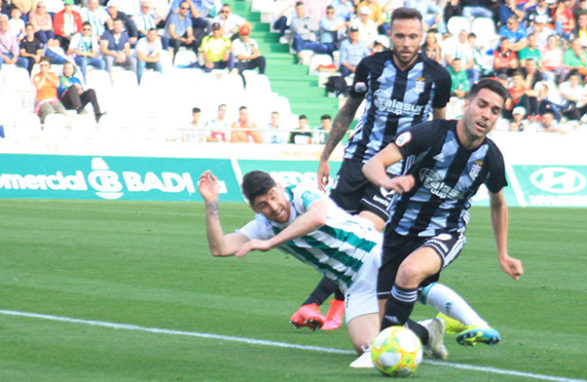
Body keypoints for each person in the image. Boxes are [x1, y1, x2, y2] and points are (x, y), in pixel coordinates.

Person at [315, 8, 497, 347]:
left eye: (413, 36)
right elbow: (348, 111)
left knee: (371, 239)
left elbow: (443, 130)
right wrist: (326, 155)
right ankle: (425, 329)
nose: (406, 43)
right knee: (336, 234)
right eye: (400, 36)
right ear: (390, 35)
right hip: (360, 161)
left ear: (423, 35)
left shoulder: (438, 77)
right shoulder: (370, 67)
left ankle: (324, 301)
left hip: (402, 173)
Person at [360, 78, 523, 362]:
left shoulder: (491, 157)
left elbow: (498, 203)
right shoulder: (431, 134)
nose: (486, 114)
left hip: (445, 232)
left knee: (410, 272)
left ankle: (470, 328)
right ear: (467, 104)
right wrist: (388, 180)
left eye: (495, 110)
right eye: (482, 105)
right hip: (398, 233)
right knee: (383, 328)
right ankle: (429, 332)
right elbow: (372, 164)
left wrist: (503, 253)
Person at [197, 169, 382, 360]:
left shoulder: (301, 193)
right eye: (264, 205)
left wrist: (270, 243)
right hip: (353, 283)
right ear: (255, 209)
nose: (274, 207)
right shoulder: (264, 227)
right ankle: (415, 328)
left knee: (412, 285)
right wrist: (211, 203)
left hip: (373, 253)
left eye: (273, 197)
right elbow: (220, 248)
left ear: (279, 188)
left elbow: (317, 217)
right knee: (366, 346)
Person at [32, 57, 65, 123]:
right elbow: (39, 86)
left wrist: (48, 76)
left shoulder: (53, 75)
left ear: (49, 66)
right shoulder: (36, 76)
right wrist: (44, 76)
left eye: (45, 65)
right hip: (41, 100)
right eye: (41, 65)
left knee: (62, 111)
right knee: (49, 111)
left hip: (53, 99)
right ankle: (43, 124)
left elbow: (57, 84)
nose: (43, 67)